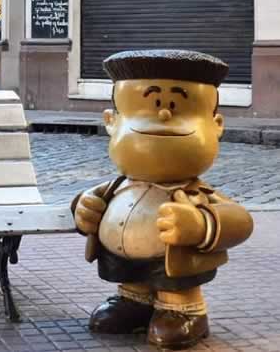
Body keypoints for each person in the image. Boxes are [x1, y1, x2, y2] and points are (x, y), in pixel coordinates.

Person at [70, 50, 254, 349]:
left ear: (216, 125)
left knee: (176, 288)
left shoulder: (197, 194)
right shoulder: (116, 186)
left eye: (178, 107)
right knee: (132, 281)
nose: (164, 114)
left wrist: (200, 225)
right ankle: (134, 300)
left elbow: (240, 220)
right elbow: (92, 199)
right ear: (111, 121)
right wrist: (84, 206)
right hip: (122, 259)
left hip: (175, 263)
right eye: (149, 105)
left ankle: (184, 311)